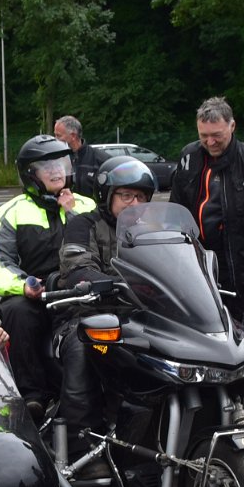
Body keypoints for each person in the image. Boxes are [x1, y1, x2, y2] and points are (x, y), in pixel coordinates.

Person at [0, 135, 95, 415]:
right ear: (31, 175)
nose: (56, 171)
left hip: (85, 292)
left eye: (61, 163)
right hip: (40, 295)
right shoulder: (10, 212)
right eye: (47, 167)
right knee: (17, 311)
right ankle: (32, 396)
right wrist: (22, 284)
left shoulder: (87, 206)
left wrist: (72, 211)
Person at [56, 156, 155, 468]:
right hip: (89, 315)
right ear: (107, 196)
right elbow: (76, 268)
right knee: (83, 348)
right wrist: (116, 285)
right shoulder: (82, 225)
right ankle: (79, 446)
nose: (134, 203)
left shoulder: (153, 230)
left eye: (140, 197)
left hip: (142, 318)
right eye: (126, 195)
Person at [169, 96, 244, 321]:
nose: (210, 142)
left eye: (217, 135)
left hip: (239, 268)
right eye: (203, 136)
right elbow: (174, 213)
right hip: (195, 264)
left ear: (232, 126)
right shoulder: (188, 157)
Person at [54, 115, 105, 198]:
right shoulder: (55, 160)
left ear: (73, 136)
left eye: (58, 136)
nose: (55, 139)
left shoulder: (100, 160)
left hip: (92, 209)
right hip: (64, 210)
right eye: (55, 135)